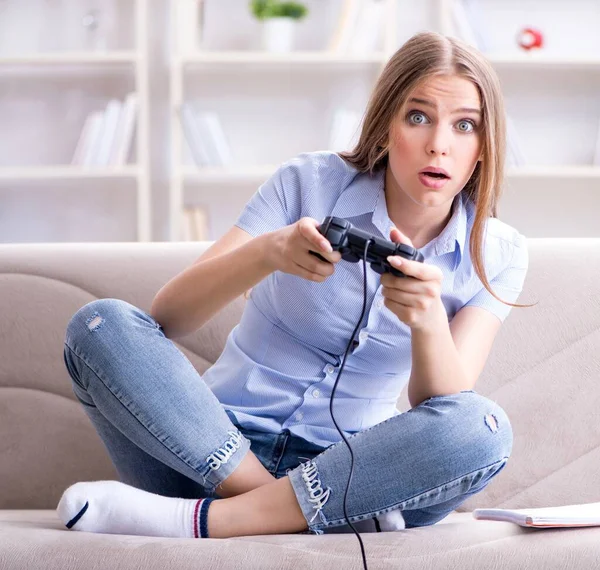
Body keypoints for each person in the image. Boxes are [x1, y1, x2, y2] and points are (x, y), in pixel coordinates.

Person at [57, 30, 532, 540]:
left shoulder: (499, 254)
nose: (439, 143)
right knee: (99, 324)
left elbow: (442, 407)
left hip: (351, 469)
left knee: (483, 428)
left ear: (484, 147)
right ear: (386, 125)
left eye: (465, 126)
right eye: (418, 117)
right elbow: (167, 317)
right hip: (210, 452)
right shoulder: (308, 182)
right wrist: (268, 253)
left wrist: (428, 322)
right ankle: (288, 514)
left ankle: (211, 520)